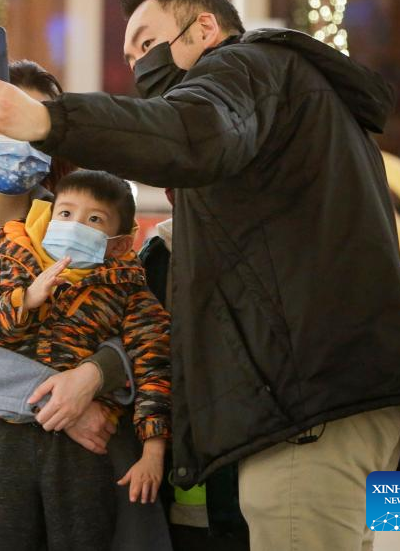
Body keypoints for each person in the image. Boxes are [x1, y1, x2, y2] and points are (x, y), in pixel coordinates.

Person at [0, 0, 400, 551]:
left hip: (310, 411)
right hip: (366, 400)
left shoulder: (246, 68)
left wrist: (48, 121)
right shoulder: (305, 108)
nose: (140, 64)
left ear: (205, 27)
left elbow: (191, 133)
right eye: (130, 56)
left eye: (147, 42)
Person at [0, 59, 172, 551]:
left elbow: (136, 322)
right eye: (6, 124)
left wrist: (96, 374)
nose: (21, 139)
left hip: (91, 468)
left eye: (33, 125)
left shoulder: (88, 227)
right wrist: (60, 400)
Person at [0, 169, 171, 550]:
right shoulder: (9, 258)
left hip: (85, 448)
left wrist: (153, 451)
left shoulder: (129, 289)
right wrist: (24, 301)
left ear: (119, 243)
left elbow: (154, 365)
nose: (75, 225)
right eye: (66, 213)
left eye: (94, 219)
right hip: (6, 437)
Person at [140, 189, 250, 551]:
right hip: (197, 483)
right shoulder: (160, 255)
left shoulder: (272, 250)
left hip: (276, 473)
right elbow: (148, 356)